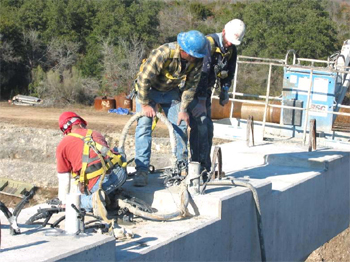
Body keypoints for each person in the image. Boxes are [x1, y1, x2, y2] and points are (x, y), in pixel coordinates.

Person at [133, 30, 209, 187]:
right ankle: (141, 170)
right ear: (184, 51)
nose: (197, 58)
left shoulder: (196, 60)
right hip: (148, 91)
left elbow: (190, 87)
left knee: (180, 124)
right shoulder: (163, 53)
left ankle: (181, 166)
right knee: (144, 126)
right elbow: (143, 79)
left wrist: (183, 109)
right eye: (194, 55)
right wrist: (146, 104)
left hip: (170, 92)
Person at [189, 19, 246, 172]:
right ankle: (196, 166)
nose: (229, 44)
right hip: (191, 91)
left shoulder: (231, 49)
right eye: (228, 41)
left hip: (205, 93)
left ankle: (204, 166)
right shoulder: (208, 44)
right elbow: (203, 73)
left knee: (208, 128)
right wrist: (200, 101)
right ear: (223, 32)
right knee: (201, 125)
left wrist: (225, 90)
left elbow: (229, 72)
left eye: (233, 42)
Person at [56, 111, 127, 214]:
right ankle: (111, 196)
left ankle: (94, 200)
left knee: (75, 201)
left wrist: (63, 202)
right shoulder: (95, 133)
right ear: (79, 123)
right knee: (116, 150)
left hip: (100, 183)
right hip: (120, 173)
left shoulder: (62, 145)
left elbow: (64, 180)